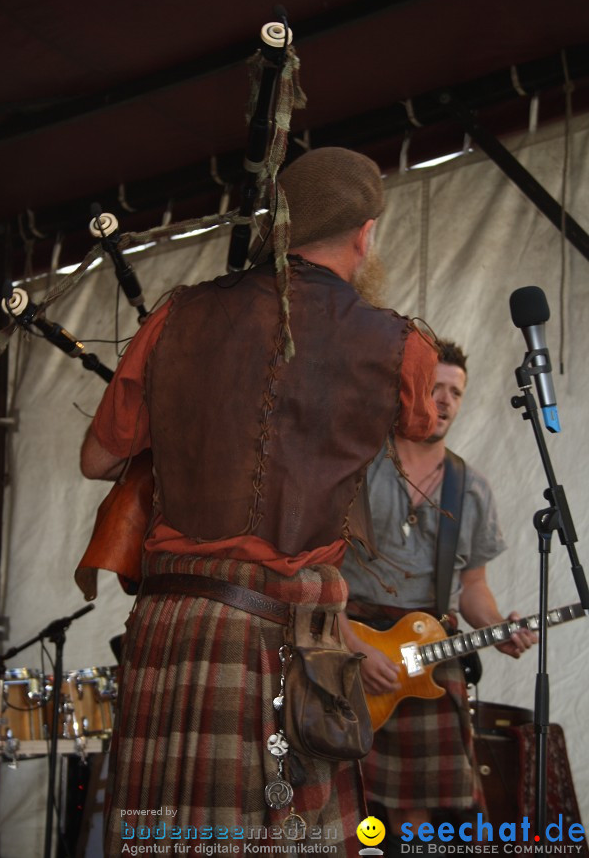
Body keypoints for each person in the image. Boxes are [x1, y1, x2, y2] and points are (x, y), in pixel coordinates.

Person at [79, 147, 439, 857]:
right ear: (366, 234)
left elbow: (98, 458)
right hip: (288, 634)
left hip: (172, 624)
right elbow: (419, 429)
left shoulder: (177, 314)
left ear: (278, 227)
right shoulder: (402, 344)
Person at [339, 339, 537, 856]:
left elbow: (473, 589)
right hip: (349, 641)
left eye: (456, 392)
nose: (445, 400)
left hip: (429, 651)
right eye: (435, 388)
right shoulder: (355, 466)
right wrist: (351, 646)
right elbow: (315, 569)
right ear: (407, 391)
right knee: (342, 802)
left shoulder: (469, 487)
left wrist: (499, 627)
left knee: (426, 812)